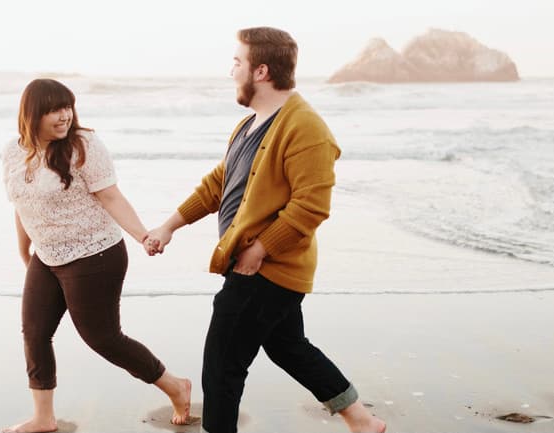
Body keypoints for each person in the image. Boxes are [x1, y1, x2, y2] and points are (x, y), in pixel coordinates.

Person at [144, 28, 387, 433]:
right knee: (288, 347)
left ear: (260, 70)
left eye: (237, 62)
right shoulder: (249, 125)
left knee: (221, 364)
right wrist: (170, 225)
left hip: (267, 270)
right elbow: (218, 185)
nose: (230, 71)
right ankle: (361, 420)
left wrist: (260, 250)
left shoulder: (306, 128)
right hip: (256, 266)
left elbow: (311, 205)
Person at [1, 78, 193, 433]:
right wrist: (24, 250)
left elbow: (111, 197)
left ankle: (175, 385)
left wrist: (143, 236)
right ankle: (44, 417)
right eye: (53, 109)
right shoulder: (14, 151)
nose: (63, 116)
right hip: (47, 256)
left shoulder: (83, 145)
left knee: (103, 338)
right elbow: (21, 205)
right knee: (34, 333)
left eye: (67, 107)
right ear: (32, 114)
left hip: (95, 254)